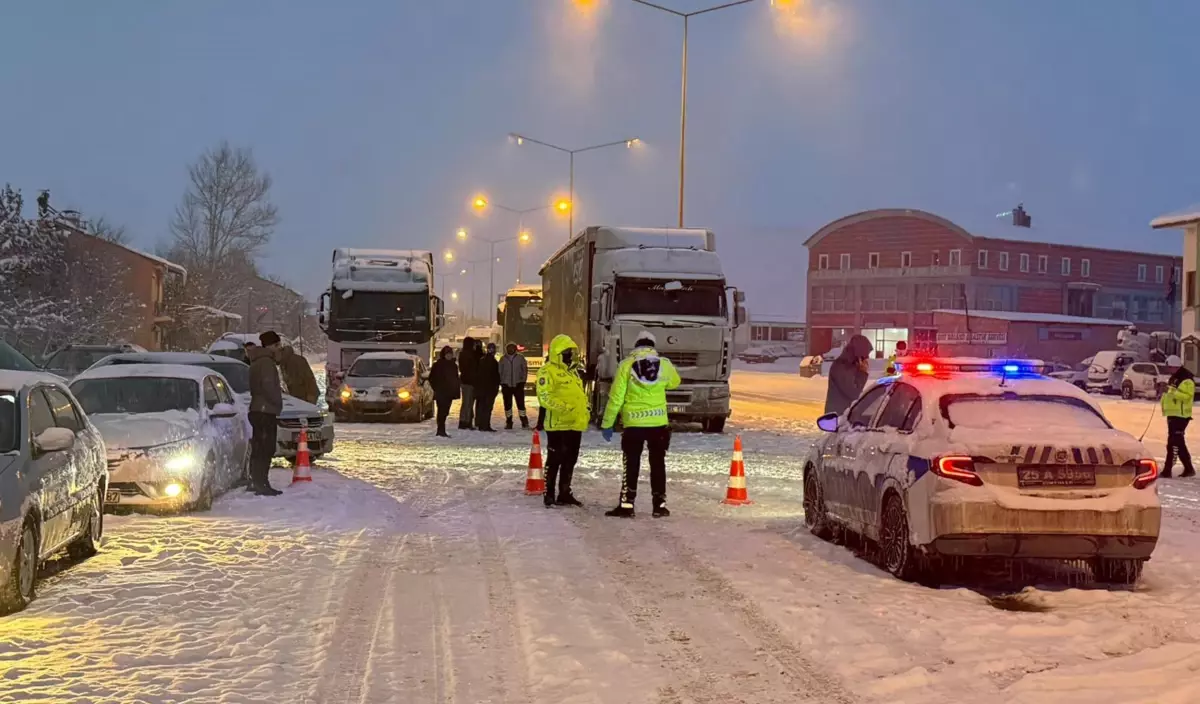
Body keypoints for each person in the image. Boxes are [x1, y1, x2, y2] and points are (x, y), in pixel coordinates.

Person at [600, 332, 681, 518]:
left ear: (636, 346)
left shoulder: (626, 365)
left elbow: (616, 397)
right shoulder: (665, 365)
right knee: (658, 464)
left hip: (633, 424)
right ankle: (659, 505)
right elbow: (675, 382)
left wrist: (608, 423)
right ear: (653, 346)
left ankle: (627, 505)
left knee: (631, 464)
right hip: (658, 423)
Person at [537, 334, 589, 508]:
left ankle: (565, 493)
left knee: (570, 460)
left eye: (571, 351)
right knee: (554, 460)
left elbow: (580, 394)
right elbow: (544, 398)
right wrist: (565, 407)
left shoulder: (573, 371)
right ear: (558, 352)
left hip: (575, 424)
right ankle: (549, 494)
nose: (570, 355)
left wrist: (585, 409)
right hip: (558, 425)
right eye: (567, 352)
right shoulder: (547, 371)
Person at [247, 330, 284, 496]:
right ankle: (262, 484)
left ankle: (255, 481)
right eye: (277, 345)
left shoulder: (256, 361)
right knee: (266, 448)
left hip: (257, 409)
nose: (279, 348)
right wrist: (278, 401)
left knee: (258, 447)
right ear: (271, 345)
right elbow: (269, 386)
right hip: (265, 411)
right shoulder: (266, 363)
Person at [824, 334, 873, 415]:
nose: (867, 357)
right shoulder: (842, 366)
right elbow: (853, 392)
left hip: (846, 415)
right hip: (838, 417)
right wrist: (862, 373)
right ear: (859, 351)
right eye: (866, 353)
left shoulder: (852, 365)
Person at [1161, 366, 1196, 478]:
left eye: (1170, 367)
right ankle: (1188, 468)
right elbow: (1171, 395)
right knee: (1178, 443)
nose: (1169, 370)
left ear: (1175, 366)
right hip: (1173, 414)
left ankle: (1168, 470)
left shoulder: (1187, 380)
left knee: (1173, 443)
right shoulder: (1174, 378)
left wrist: (1169, 391)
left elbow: (1187, 397)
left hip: (1181, 416)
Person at [429, 345, 460, 438]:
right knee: (441, 411)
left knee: (445, 411)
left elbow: (455, 378)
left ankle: (442, 429)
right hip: (441, 392)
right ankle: (440, 429)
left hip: (449, 392)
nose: (449, 356)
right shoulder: (438, 365)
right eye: (447, 354)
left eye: (450, 354)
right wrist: (437, 387)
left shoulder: (453, 365)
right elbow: (432, 378)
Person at [499, 343, 530, 429]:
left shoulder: (520, 358)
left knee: (521, 405)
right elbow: (499, 372)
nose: (511, 350)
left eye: (512, 348)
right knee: (507, 405)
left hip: (518, 385)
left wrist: (523, 381)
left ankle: (524, 421)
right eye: (509, 348)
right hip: (506, 385)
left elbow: (525, 370)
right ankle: (509, 421)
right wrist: (502, 383)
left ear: (515, 349)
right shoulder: (503, 359)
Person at [474, 342, 501, 432]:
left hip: (482, 388)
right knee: (487, 407)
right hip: (489, 388)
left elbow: (478, 374)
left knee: (482, 406)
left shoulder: (482, 361)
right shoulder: (493, 362)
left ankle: (482, 424)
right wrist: (496, 386)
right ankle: (485, 424)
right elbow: (496, 376)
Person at [457, 336, 478, 430]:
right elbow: (471, 368)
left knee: (466, 402)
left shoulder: (463, 354)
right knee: (468, 403)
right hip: (469, 381)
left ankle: (465, 420)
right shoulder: (470, 355)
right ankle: (466, 421)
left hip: (465, 380)